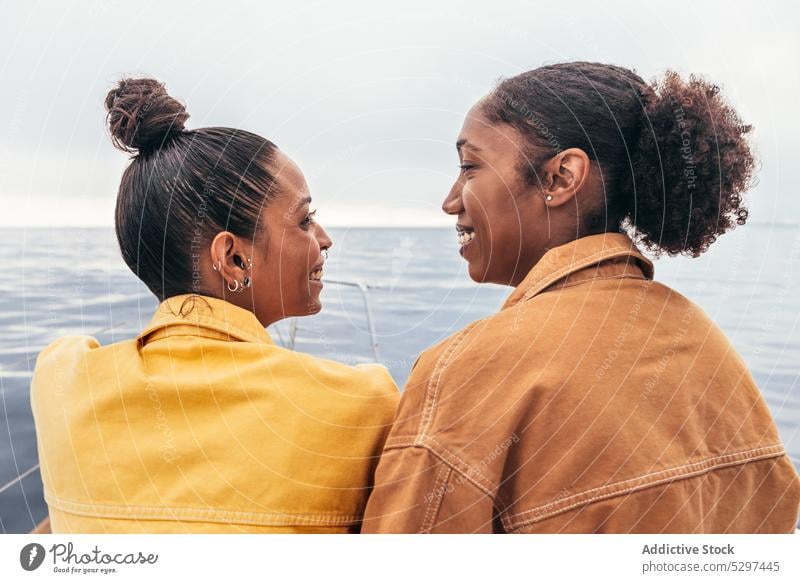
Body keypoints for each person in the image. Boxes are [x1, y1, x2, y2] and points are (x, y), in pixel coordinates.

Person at [362, 62, 800, 533]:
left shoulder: (467, 369)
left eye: (470, 167)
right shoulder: (709, 349)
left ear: (560, 178)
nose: (451, 200)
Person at [31, 78, 399, 533]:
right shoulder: (362, 405)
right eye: (305, 219)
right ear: (233, 257)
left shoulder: (60, 380)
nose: (324, 239)